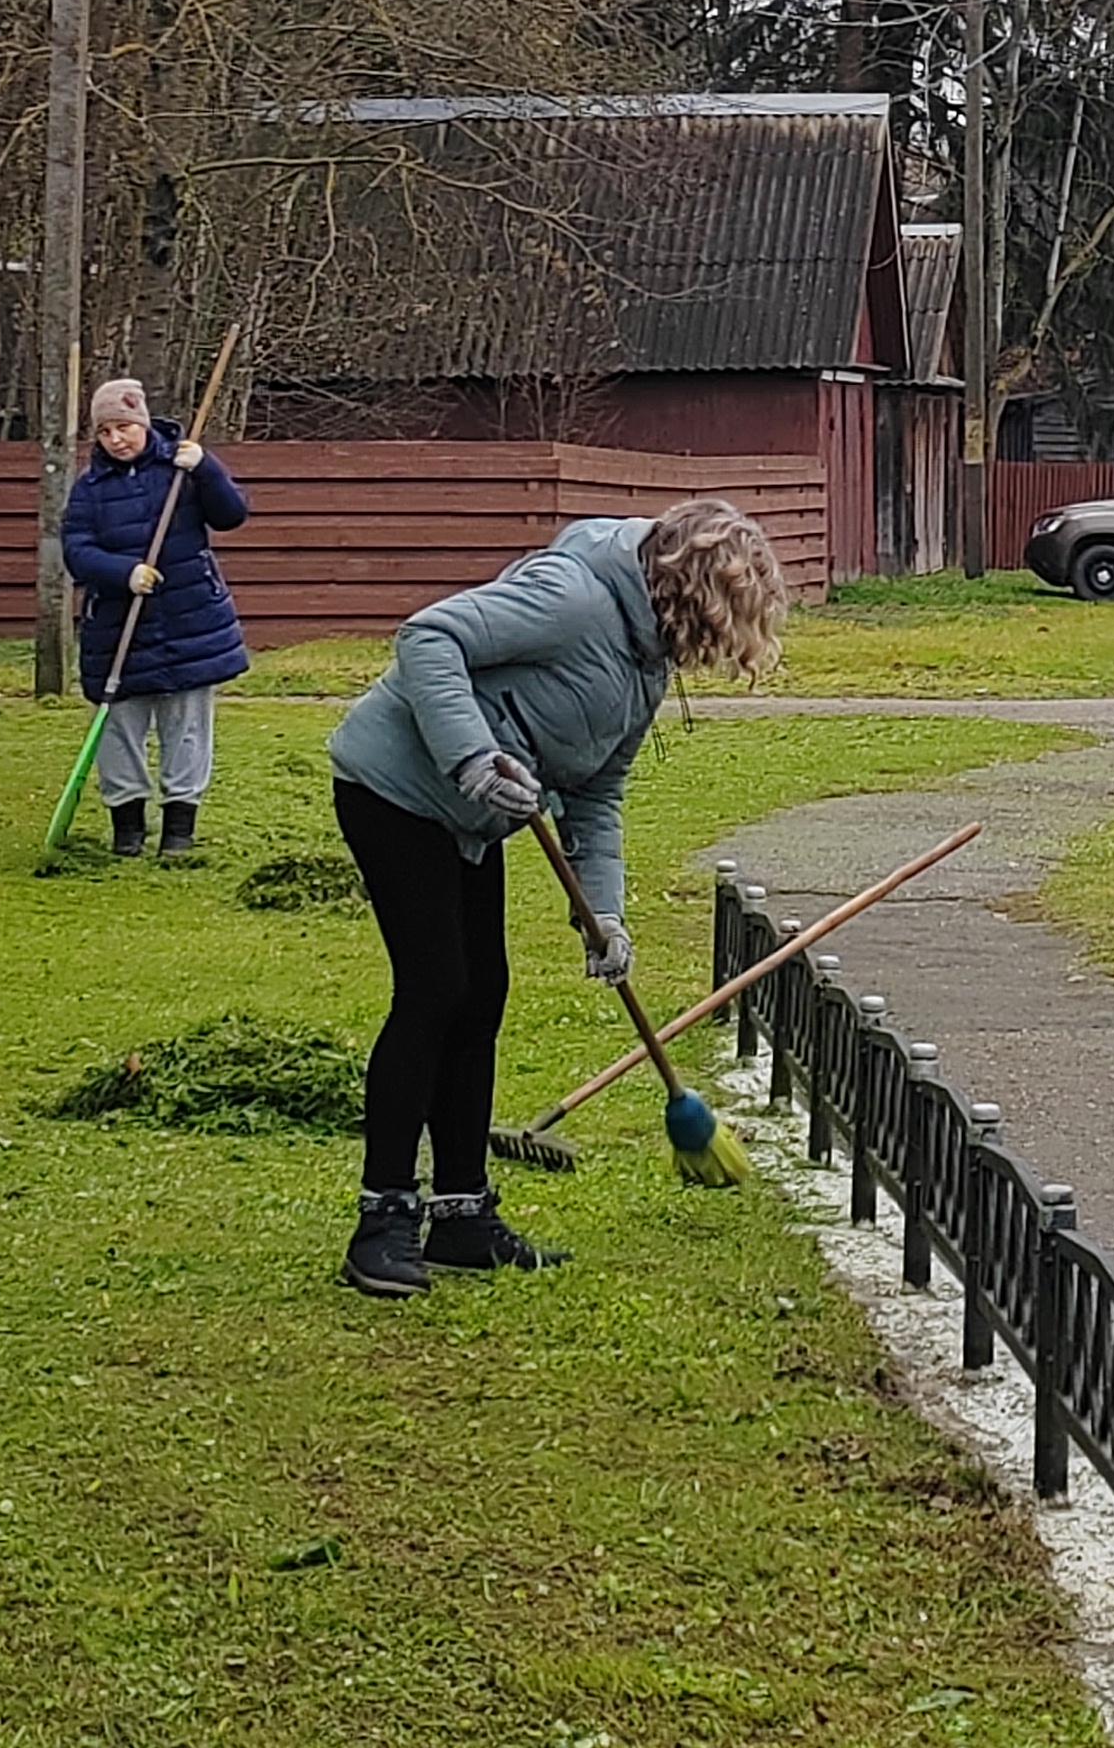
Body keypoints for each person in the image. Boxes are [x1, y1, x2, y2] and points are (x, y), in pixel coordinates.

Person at [323, 497, 789, 1296]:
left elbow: (598, 796)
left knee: (482, 997)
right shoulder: (570, 598)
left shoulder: (645, 667)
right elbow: (427, 638)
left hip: (471, 814)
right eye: (726, 620)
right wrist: (472, 756)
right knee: (435, 992)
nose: (722, 644)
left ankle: (462, 1215)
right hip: (395, 789)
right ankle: (383, 1220)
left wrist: (602, 914)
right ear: (694, 593)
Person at [59, 376, 252, 859]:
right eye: (105, 432)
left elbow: (231, 514)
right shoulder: (90, 489)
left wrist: (208, 468)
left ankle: (179, 830)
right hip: (119, 626)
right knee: (119, 726)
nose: (116, 439)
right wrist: (124, 573)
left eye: (124, 427)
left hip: (190, 620)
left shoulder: (182, 470)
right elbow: (77, 551)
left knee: (186, 725)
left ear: (142, 423)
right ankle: (127, 828)